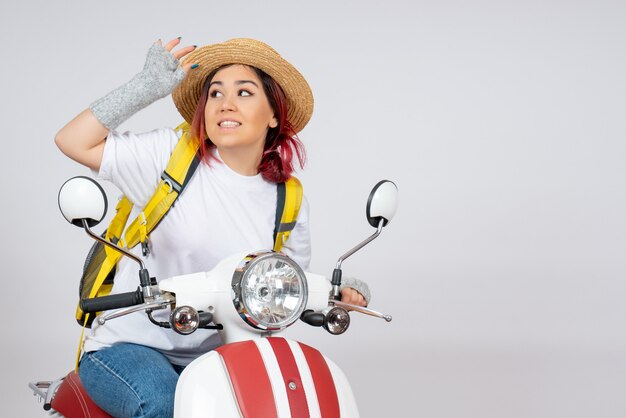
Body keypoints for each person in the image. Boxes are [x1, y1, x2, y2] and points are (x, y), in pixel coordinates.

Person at [55, 37, 370, 417]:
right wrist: (145, 87)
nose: (226, 103)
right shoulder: (169, 159)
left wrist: (344, 290)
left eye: (245, 92)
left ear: (274, 114)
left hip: (220, 354)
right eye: (215, 93)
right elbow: (71, 140)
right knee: (164, 405)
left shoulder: (288, 197)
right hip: (129, 348)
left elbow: (287, 280)